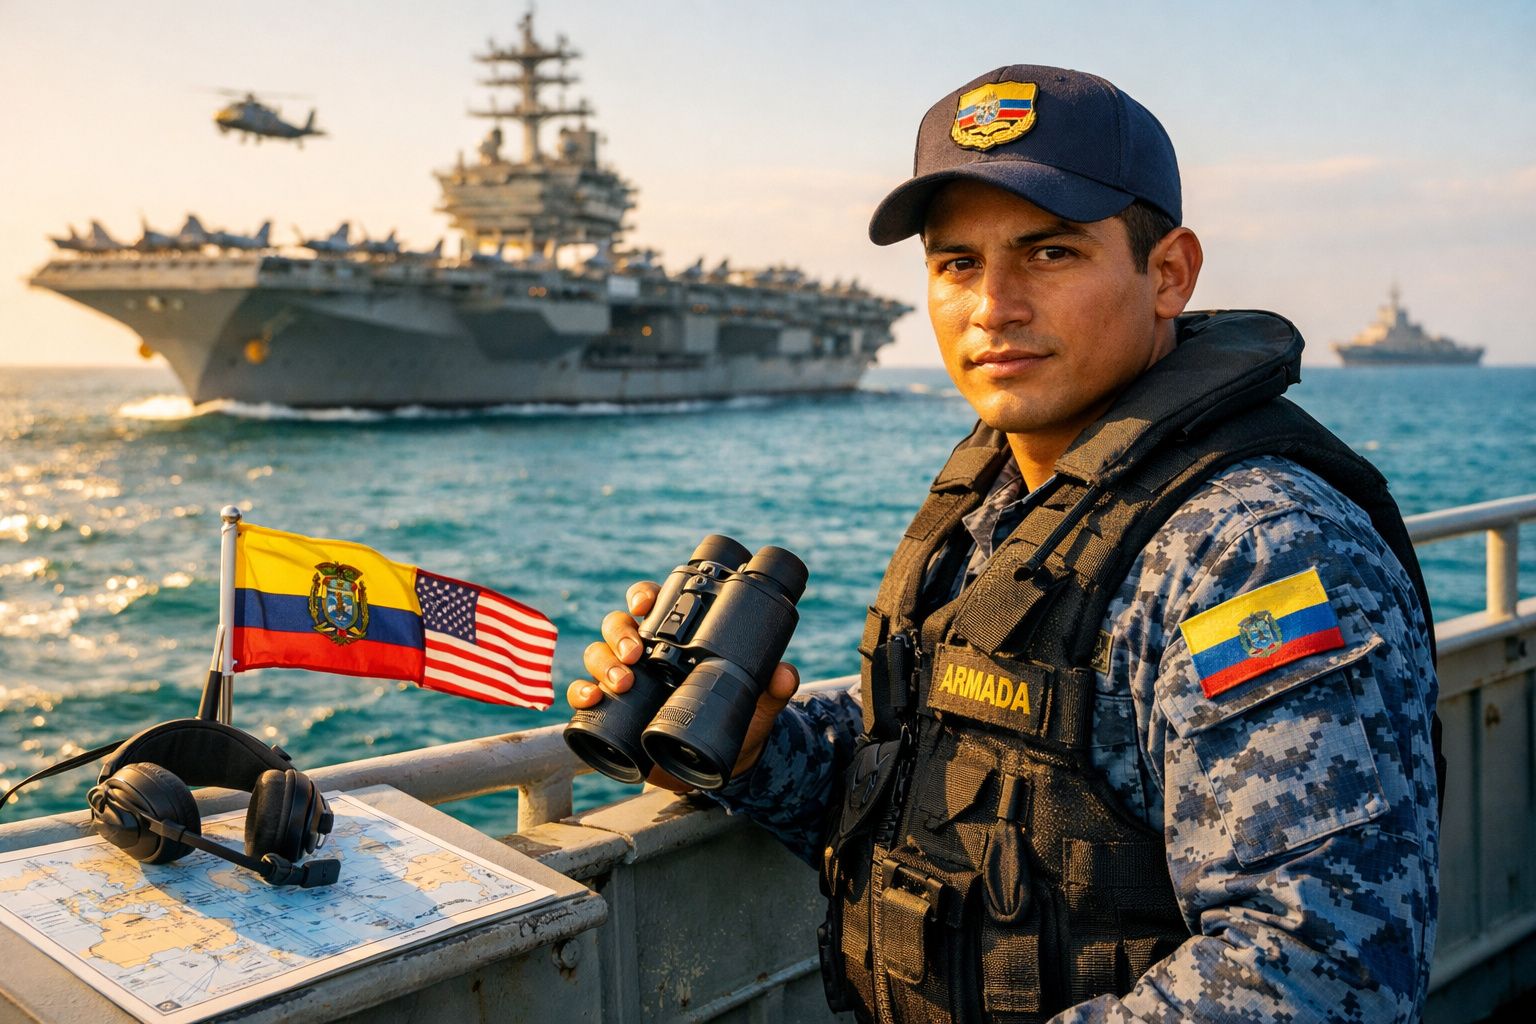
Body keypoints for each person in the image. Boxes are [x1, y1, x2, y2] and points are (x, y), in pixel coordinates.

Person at [569, 64, 1440, 1023]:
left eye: (1050, 253)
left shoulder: (1252, 551)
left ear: (1169, 273)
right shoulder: (1000, 500)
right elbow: (952, 787)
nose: (994, 305)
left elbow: (1322, 972)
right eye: (956, 264)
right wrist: (753, 750)